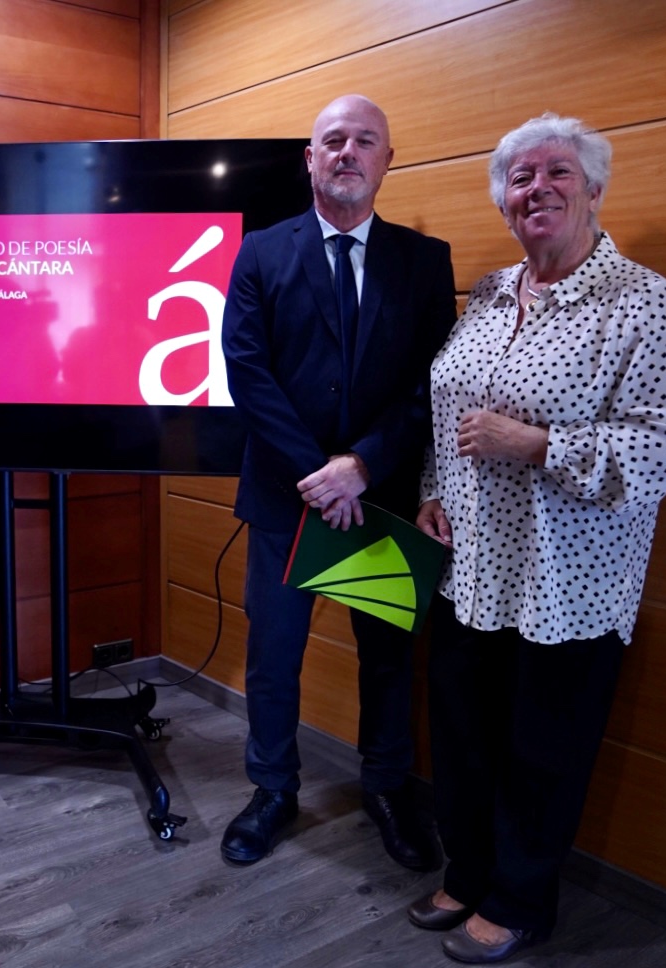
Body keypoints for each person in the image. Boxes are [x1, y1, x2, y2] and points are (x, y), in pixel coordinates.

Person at [409, 113, 666, 964]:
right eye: (519, 178)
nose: (535, 188)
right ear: (504, 202)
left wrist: (537, 445)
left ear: (595, 190)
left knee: (543, 750)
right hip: (469, 568)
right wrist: (435, 491)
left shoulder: (644, 302)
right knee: (463, 735)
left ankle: (521, 901)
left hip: (568, 580)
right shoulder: (492, 291)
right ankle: (466, 874)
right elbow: (447, 409)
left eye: (557, 174)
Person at [220, 95, 457, 868]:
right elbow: (248, 373)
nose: (348, 151)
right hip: (287, 501)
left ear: (388, 160)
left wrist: (361, 466)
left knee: (387, 658)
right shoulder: (259, 252)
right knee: (273, 657)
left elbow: (433, 381)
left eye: (365, 141)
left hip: (379, 500)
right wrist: (318, 476)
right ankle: (273, 790)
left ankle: (387, 790)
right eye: (333, 141)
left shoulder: (425, 261)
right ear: (310, 159)